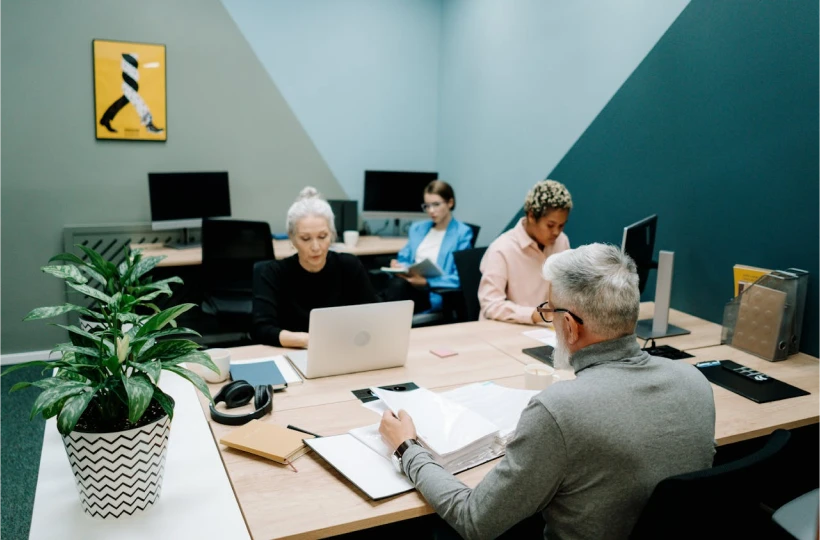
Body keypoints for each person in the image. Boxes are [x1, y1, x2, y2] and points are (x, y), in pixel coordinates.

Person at [379, 243, 716, 539]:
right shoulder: (695, 382)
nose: (549, 319)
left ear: (569, 326)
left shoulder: (559, 410)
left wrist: (407, 448)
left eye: (550, 311)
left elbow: (474, 520)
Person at [251, 187, 378, 348]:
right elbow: (261, 329)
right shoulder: (273, 273)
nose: (316, 247)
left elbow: (373, 315)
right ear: (292, 238)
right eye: (306, 238)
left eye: (322, 236)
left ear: (332, 234)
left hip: (343, 349)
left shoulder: (349, 266)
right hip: (291, 352)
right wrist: (309, 341)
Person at [478, 179, 572, 325]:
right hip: (506, 328)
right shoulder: (501, 249)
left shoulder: (562, 241)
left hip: (546, 329)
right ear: (531, 216)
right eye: (550, 225)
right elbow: (491, 305)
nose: (556, 232)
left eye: (561, 226)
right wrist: (535, 314)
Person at [381, 180, 474, 313]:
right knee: (381, 282)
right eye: (427, 206)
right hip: (408, 284)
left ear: (450, 203)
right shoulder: (418, 228)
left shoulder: (462, 233)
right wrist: (399, 265)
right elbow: (404, 257)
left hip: (432, 292)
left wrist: (426, 282)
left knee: (395, 288)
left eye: (436, 205)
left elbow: (459, 277)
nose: (431, 211)